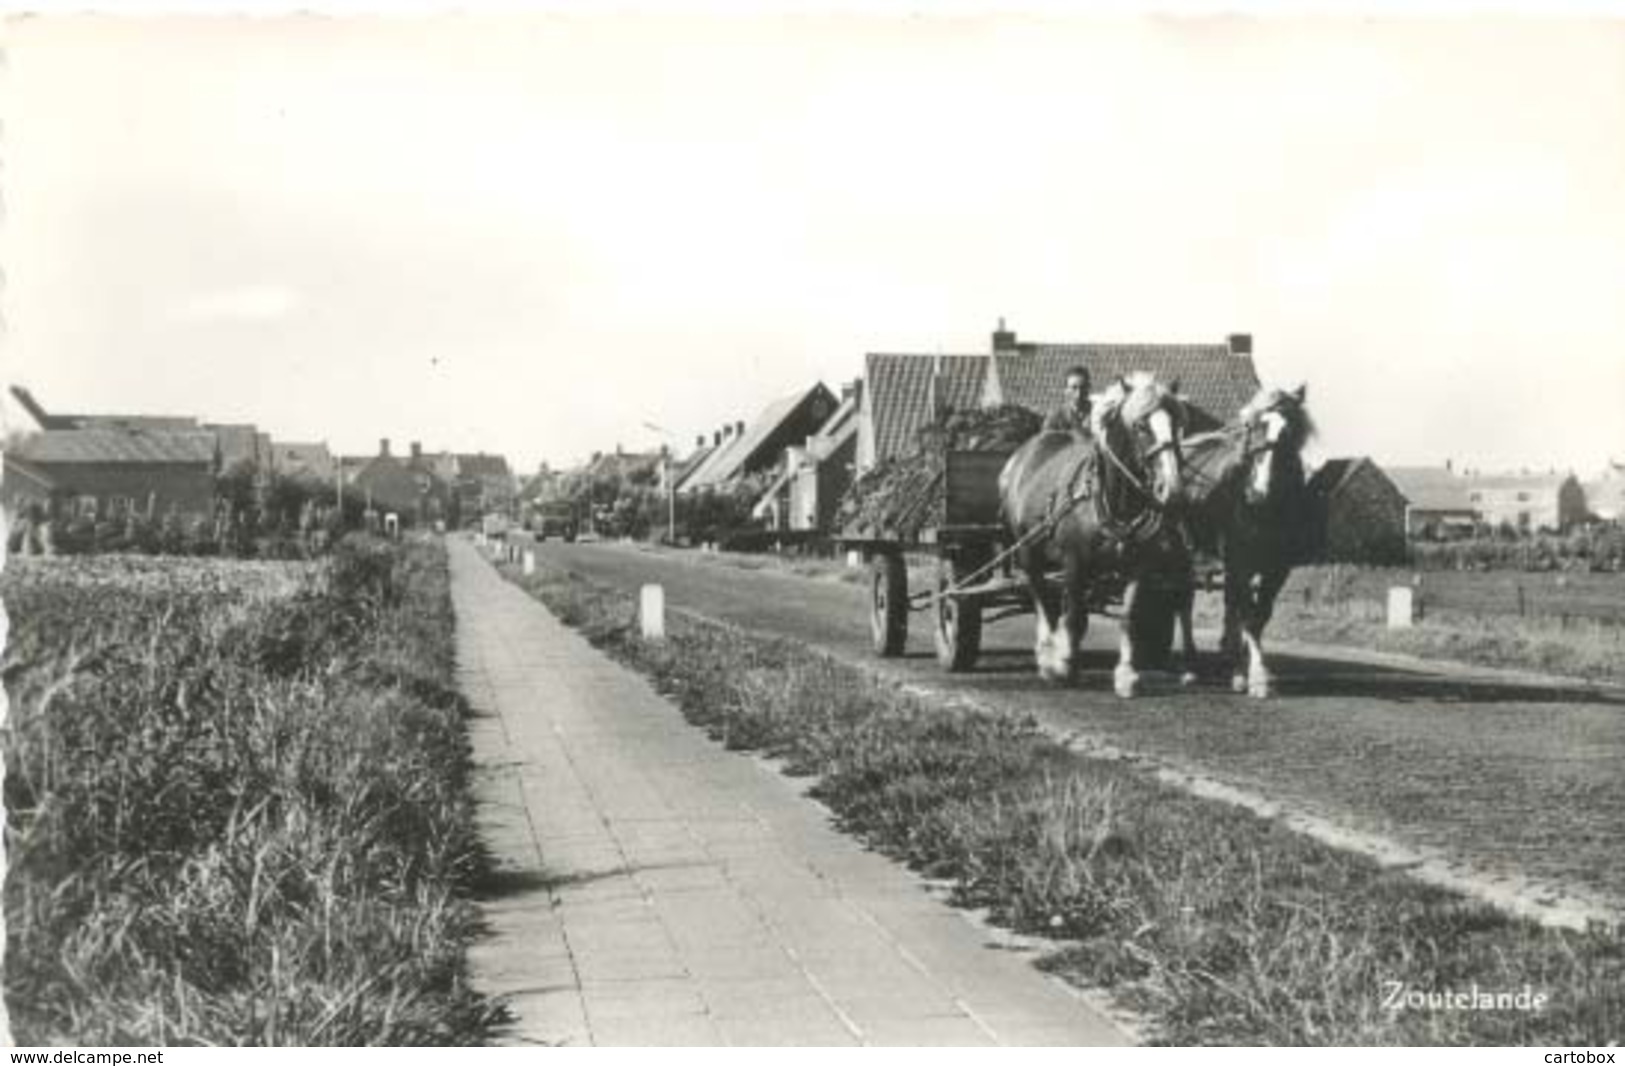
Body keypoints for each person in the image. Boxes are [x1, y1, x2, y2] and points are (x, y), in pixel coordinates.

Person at [1043, 365, 1093, 436]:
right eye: (1074, 388)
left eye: (1083, 388)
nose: (1078, 393)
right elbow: (1047, 442)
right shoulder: (1055, 417)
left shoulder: (1097, 414)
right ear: (1066, 390)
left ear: (1088, 388)